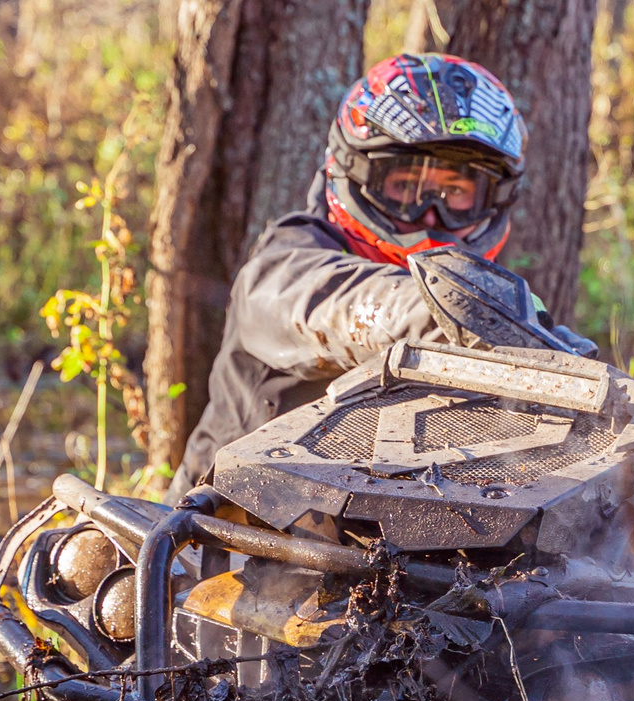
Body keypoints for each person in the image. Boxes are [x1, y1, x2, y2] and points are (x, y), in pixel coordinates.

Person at [176, 52, 591, 488]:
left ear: (492, 198)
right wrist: (445, 312)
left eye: (455, 191)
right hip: (218, 520)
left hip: (378, 519)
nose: (430, 213)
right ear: (355, 172)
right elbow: (322, 298)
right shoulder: (286, 261)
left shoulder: (484, 287)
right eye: (406, 187)